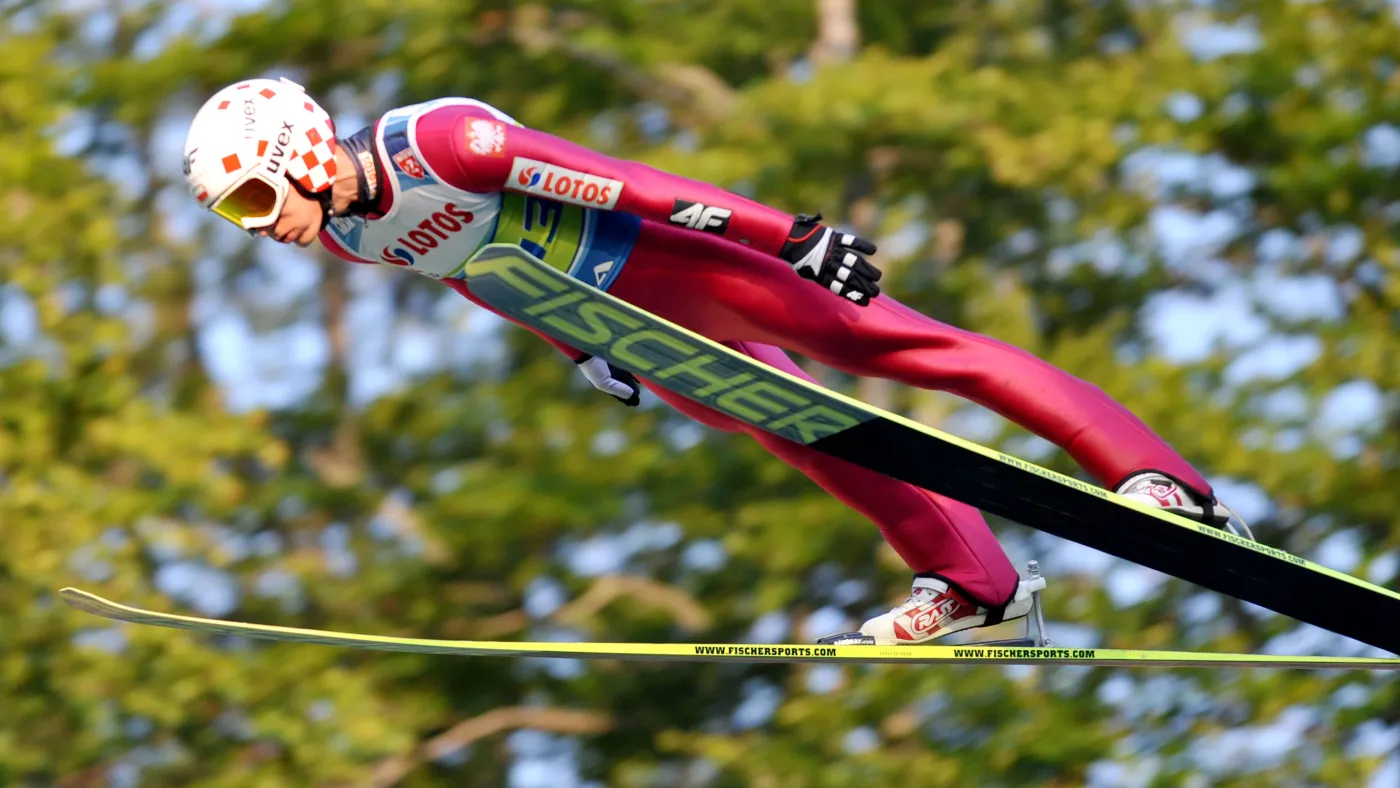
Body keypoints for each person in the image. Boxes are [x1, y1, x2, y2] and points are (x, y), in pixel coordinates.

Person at [181, 77, 1251, 646]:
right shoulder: (344, 232)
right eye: (233, 213)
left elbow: (627, 182)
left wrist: (788, 235)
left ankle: (1163, 483)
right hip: (615, 315)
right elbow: (477, 271)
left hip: (674, 260)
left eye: (248, 197)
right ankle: (977, 584)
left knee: (897, 349)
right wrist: (574, 346)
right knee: (803, 427)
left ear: (301, 151)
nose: (254, 225)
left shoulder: (447, 144)